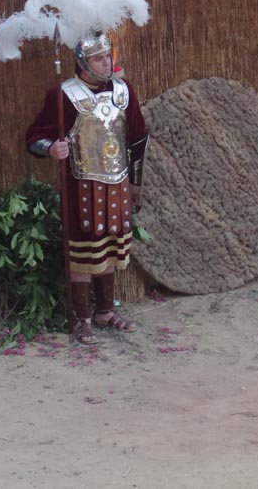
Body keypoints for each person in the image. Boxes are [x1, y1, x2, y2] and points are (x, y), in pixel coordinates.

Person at [25, 32, 148, 345]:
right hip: (82, 187)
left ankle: (105, 311)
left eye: (108, 56)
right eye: (98, 58)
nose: (106, 62)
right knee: (83, 251)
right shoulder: (64, 95)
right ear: (82, 62)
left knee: (111, 246)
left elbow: (138, 139)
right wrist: (50, 148)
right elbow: (34, 137)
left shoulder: (123, 90)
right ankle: (82, 319)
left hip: (117, 183)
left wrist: (135, 183)